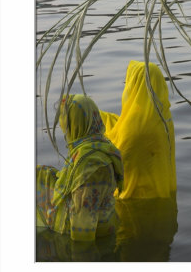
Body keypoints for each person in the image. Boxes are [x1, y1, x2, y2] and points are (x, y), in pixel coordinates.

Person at [36, 94, 123, 242]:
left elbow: (82, 228)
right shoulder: (99, 146)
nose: (65, 133)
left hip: (89, 233)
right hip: (105, 222)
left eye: (66, 126)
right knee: (40, 174)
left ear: (75, 125)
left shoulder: (91, 166)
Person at [100, 60, 177, 199]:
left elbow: (118, 153)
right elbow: (126, 127)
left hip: (137, 198)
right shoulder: (163, 116)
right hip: (163, 192)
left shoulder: (135, 127)